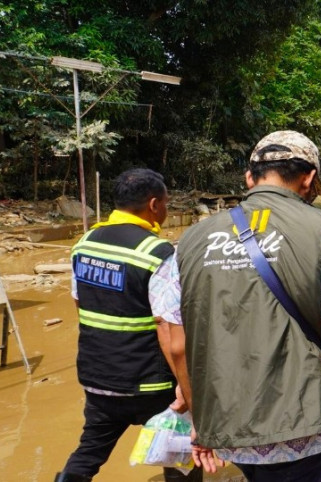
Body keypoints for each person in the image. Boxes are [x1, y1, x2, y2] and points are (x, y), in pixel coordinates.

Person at [151, 131, 321, 482]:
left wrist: (203, 420)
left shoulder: (189, 241)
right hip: (303, 427)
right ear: (309, 178)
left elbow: (176, 345)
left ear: (249, 178)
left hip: (226, 424)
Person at [57, 168, 201, 482]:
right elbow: (167, 326)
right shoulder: (158, 253)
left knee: (88, 452)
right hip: (150, 383)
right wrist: (186, 386)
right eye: (165, 203)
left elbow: (79, 302)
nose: (165, 210)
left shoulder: (85, 243)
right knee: (179, 454)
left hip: (98, 377)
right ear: (153, 205)